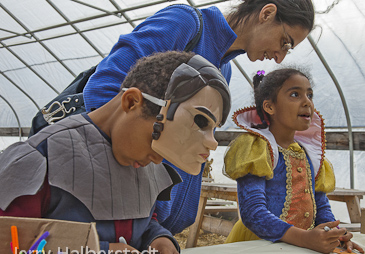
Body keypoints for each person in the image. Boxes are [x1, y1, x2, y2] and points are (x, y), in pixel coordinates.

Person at [83, 0, 316, 236]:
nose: (279, 57)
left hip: (152, 229)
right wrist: (143, 176)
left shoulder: (223, 72)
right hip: (121, 216)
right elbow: (104, 90)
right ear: (267, 13)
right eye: (285, 42)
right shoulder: (185, 24)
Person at [0, 51, 231, 254]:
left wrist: (159, 240)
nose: (158, 161)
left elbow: (141, 219)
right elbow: (9, 246)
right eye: (156, 145)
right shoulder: (43, 155)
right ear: (131, 102)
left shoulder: (144, 158)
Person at [223, 68, 365, 254]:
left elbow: (320, 205)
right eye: (295, 94)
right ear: (269, 107)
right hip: (259, 246)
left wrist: (333, 234)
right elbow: (253, 214)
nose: (307, 102)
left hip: (299, 248)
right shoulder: (257, 149)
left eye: (310, 95)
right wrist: (305, 238)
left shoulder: (310, 155)